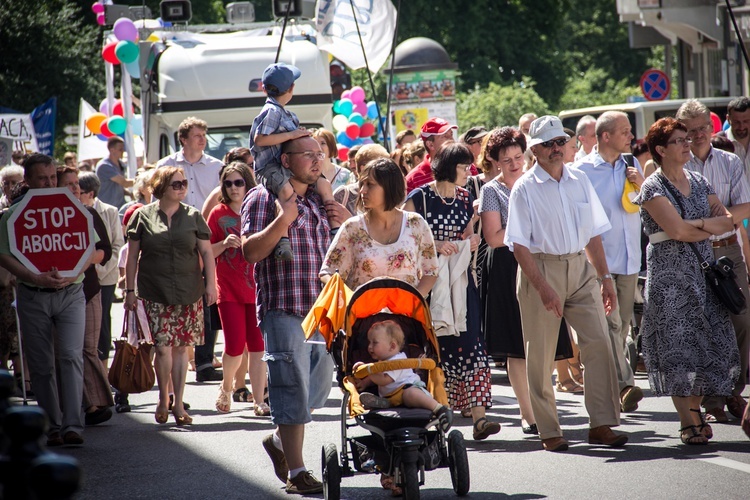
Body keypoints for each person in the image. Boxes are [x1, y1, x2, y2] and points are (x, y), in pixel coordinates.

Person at [505, 116, 627, 452]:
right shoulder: (524, 188)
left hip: (580, 267)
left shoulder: (579, 180)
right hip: (540, 270)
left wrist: (605, 279)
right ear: (535, 149)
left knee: (600, 342)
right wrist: (543, 287)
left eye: (560, 141)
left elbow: (593, 234)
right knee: (541, 354)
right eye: (548, 143)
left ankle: (601, 423)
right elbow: (519, 245)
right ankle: (548, 429)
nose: (556, 148)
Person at [241, 136, 347, 495]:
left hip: (320, 309)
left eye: (321, 154)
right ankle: (297, 471)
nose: (318, 160)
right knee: (290, 386)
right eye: (309, 155)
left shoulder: (320, 198)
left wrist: (345, 218)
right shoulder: (263, 197)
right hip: (284, 306)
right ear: (285, 160)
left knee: (316, 387)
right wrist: (282, 221)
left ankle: (278, 439)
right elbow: (249, 251)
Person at [635, 117, 740, 445]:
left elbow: (727, 222)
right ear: (661, 150)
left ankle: (696, 411)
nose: (687, 144)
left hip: (704, 275)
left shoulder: (699, 180)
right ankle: (689, 420)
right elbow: (678, 232)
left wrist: (697, 223)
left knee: (707, 346)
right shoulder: (652, 187)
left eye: (687, 139)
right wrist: (703, 226)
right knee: (679, 352)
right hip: (671, 281)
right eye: (679, 140)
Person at [478, 127, 573, 435]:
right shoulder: (491, 191)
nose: (514, 164)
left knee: (544, 338)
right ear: (494, 162)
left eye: (518, 156)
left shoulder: (539, 183)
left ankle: (545, 404)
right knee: (516, 344)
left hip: (543, 260)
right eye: (506, 160)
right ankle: (527, 412)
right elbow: (493, 238)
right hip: (507, 265)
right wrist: (525, 230)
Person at [0, 154, 99, 446]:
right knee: (41, 365)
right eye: (42, 179)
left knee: (70, 356)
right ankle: (52, 425)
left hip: (71, 293)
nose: (49, 183)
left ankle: (73, 425)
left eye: (52, 177)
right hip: (33, 295)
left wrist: (72, 274)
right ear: (28, 181)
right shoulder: (12, 215)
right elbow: (3, 254)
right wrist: (33, 276)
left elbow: (89, 249)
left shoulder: (75, 209)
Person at [404, 142, 500, 441]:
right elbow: (404, 238)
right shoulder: (419, 198)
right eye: (463, 167)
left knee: (472, 343)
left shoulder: (464, 197)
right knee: (435, 349)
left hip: (460, 283)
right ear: (447, 167)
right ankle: (438, 414)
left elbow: (469, 234)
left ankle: (480, 416)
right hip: (428, 286)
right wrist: (434, 247)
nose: (469, 172)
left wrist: (469, 241)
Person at [125, 166, 217, 426]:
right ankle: (163, 399)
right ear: (161, 187)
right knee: (162, 349)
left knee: (181, 350)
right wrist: (129, 291)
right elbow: (132, 257)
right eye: (176, 184)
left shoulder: (194, 216)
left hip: (189, 291)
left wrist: (212, 285)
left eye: (184, 183)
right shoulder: (142, 216)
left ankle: (178, 404)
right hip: (155, 291)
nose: (182, 188)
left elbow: (207, 254)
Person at [676, 100, 750, 424]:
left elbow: (745, 207)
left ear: (713, 125)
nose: (698, 135)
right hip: (694, 253)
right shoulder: (677, 165)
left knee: (742, 319)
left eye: (703, 127)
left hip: (728, 249)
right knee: (706, 324)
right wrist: (714, 221)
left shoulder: (730, 161)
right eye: (690, 131)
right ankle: (713, 397)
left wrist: (709, 223)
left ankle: (735, 391)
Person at [574, 111, 646, 413]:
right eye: (624, 131)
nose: (630, 136)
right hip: (599, 263)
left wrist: (641, 183)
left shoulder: (632, 164)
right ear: (605, 136)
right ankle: (625, 385)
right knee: (612, 322)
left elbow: (644, 206)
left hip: (630, 261)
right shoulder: (582, 171)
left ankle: (612, 387)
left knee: (621, 327)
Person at [157, 116, 223, 383]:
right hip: (175, 239)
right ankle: (178, 350)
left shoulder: (216, 167)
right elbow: (155, 203)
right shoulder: (166, 166)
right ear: (183, 139)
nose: (202, 139)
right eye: (197, 135)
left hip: (207, 236)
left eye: (204, 135)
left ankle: (205, 360)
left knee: (209, 294)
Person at [249, 62, 336, 262]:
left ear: (264, 88)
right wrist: (291, 134)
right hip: (269, 167)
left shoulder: (285, 112)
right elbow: (260, 140)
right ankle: (283, 241)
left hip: (283, 166)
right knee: (287, 193)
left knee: (324, 184)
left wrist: (301, 135)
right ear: (291, 89)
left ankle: (336, 230)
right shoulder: (271, 111)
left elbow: (294, 138)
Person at [321, 158, 438, 296]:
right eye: (362, 184)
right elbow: (327, 273)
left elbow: (431, 272)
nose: (362, 191)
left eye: (370, 184)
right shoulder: (352, 228)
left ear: (390, 187)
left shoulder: (416, 224)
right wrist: (350, 299)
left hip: (405, 315)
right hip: (362, 315)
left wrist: (414, 302)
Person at [207, 162, 269, 417]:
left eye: (238, 182)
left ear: (248, 182)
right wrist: (223, 243)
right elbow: (204, 252)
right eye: (228, 183)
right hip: (229, 288)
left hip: (258, 289)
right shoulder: (217, 214)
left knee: (258, 346)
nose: (233, 188)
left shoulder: (260, 207)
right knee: (234, 345)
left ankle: (258, 400)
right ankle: (226, 387)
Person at [57, 166, 114, 426]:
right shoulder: (41, 217)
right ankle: (76, 406)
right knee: (66, 351)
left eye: (76, 183)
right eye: (67, 184)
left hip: (88, 289)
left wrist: (84, 261)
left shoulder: (89, 214)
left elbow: (105, 249)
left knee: (88, 348)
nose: (75, 188)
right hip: (54, 290)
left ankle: (96, 403)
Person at [353, 320, 452, 427]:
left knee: (409, 395)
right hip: (392, 397)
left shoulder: (397, 361)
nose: (370, 347)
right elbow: (376, 378)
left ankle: (439, 409)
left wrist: (368, 370)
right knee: (392, 398)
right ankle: (384, 403)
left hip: (408, 389)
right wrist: (365, 383)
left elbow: (384, 380)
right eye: (369, 342)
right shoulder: (381, 363)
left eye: (374, 342)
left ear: (392, 346)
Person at [79, 172, 125, 375]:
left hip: (105, 277)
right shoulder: (71, 210)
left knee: (103, 323)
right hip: (80, 277)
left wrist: (98, 268)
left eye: (78, 192)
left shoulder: (110, 211)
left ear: (90, 193)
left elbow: (116, 246)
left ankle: (103, 372)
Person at [333, 144, 389, 217]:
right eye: (381, 166)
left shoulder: (390, 195)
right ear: (364, 168)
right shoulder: (343, 195)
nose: (387, 171)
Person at [405, 117, 457, 193]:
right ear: (430, 144)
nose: (452, 140)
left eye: (451, 134)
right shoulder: (413, 179)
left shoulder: (467, 168)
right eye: (445, 136)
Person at [96, 136, 134, 209]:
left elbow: (118, 186)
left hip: (119, 206)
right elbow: (124, 183)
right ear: (112, 150)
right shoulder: (104, 166)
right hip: (107, 208)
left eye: (123, 149)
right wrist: (142, 181)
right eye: (120, 149)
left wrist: (129, 194)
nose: (123, 151)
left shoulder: (120, 164)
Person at [723, 96, 750, 178]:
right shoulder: (719, 145)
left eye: (746, 121)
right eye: (736, 122)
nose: (741, 127)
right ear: (728, 119)